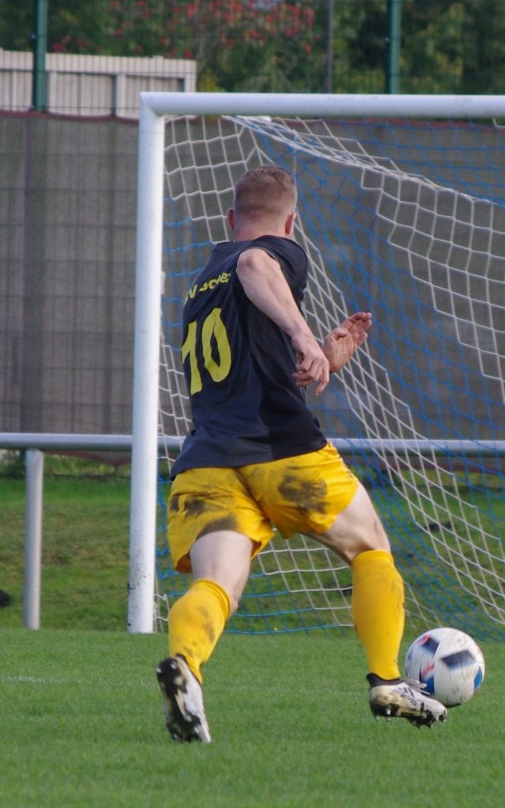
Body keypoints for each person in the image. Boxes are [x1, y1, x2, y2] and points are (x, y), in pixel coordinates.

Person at [157, 165, 446, 742]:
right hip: (283, 454)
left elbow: (248, 367)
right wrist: (304, 335)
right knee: (370, 549)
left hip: (207, 462)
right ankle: (388, 678)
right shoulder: (273, 253)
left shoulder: (198, 288)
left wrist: (324, 361)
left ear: (228, 218)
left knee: (218, 583)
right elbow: (253, 264)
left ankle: (186, 665)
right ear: (291, 223)